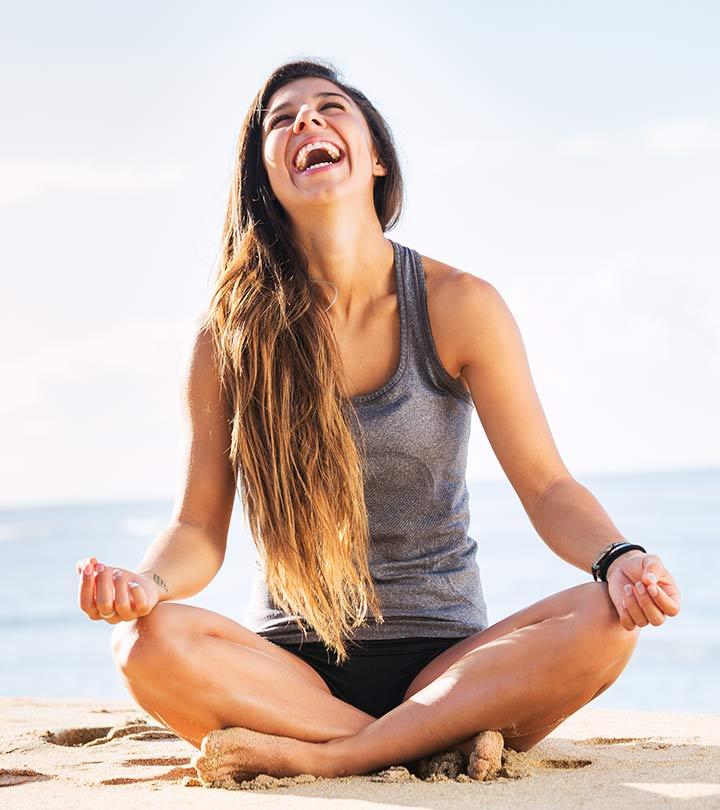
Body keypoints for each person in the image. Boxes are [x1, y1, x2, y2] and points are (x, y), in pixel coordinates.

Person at [75, 58, 681, 783]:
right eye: (281, 119)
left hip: (448, 663)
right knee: (144, 645)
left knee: (607, 622)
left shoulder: (459, 304)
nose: (306, 120)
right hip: (290, 674)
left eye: (329, 108)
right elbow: (199, 526)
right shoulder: (229, 335)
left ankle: (336, 756)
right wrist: (147, 585)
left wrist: (620, 561)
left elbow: (548, 486)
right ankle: (421, 743)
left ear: (378, 160)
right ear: (264, 176)